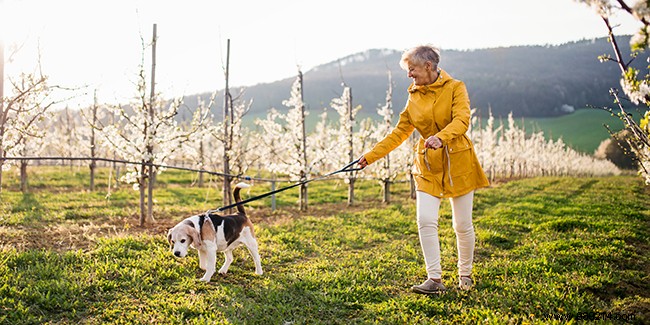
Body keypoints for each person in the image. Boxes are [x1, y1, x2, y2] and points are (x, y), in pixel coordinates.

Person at [358, 45, 489, 294]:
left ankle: (465, 274)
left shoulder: (455, 88)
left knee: (462, 225)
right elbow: (400, 132)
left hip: (457, 162)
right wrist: (370, 156)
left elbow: (462, 120)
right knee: (426, 220)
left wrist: (442, 137)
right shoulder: (414, 95)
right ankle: (434, 280)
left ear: (428, 66)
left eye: (412, 69)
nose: (409, 75)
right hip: (427, 165)